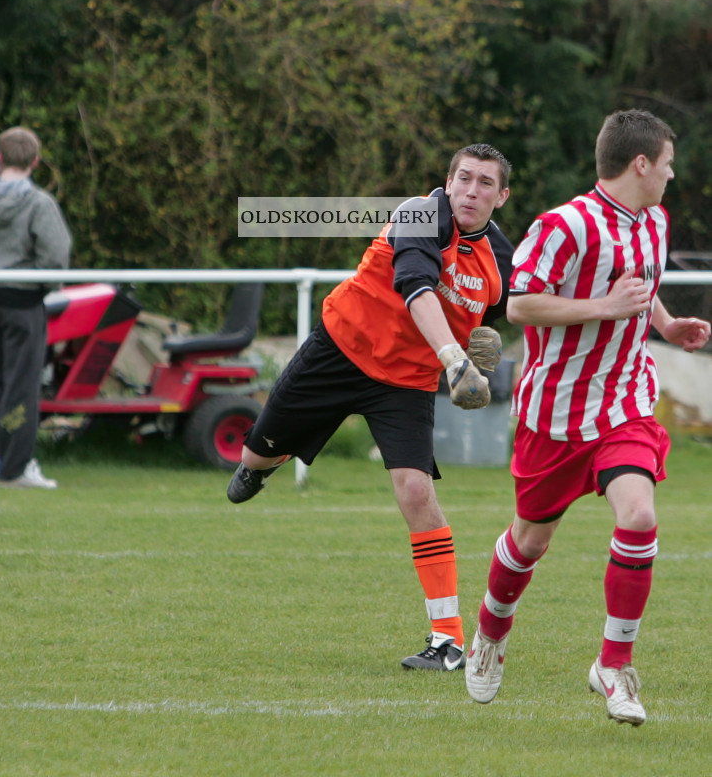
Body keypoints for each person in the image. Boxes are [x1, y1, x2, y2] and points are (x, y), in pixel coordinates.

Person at [464, 109, 711, 725]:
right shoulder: (564, 225)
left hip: (624, 405)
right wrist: (604, 305)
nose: (673, 175)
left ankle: (614, 663)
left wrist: (665, 323)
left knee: (640, 514)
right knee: (529, 542)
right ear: (641, 164)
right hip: (554, 413)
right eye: (669, 163)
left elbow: (640, 287)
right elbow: (520, 305)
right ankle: (491, 634)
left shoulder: (653, 220)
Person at [227, 143, 514, 671]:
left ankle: (447, 640)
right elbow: (416, 288)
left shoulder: (499, 254)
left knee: (416, 491)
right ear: (447, 183)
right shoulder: (418, 215)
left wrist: (483, 366)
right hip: (341, 350)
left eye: (486, 183)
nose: (472, 191)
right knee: (250, 462)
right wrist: (454, 361)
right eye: (465, 179)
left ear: (502, 196)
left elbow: (491, 321)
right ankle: (267, 461)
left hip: (405, 382)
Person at [0, 126, 72, 489]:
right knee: (22, 384)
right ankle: (14, 467)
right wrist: (44, 285)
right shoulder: (39, 203)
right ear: (35, 161)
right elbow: (56, 257)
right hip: (21, 302)